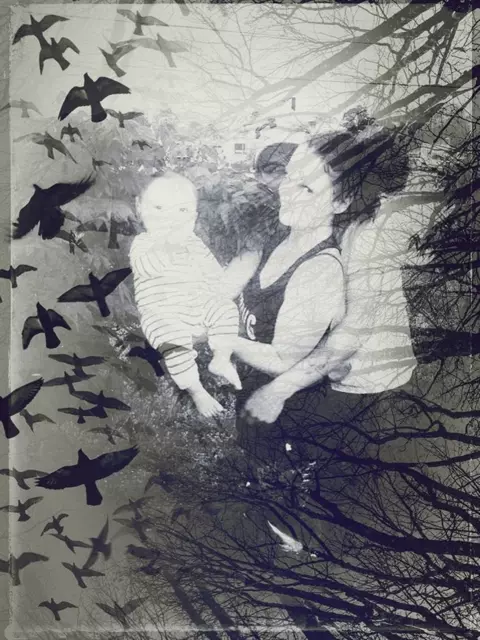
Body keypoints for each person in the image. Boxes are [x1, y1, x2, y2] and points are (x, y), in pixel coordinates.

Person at [229, 121, 416, 454]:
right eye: (289, 176)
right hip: (328, 370)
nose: (286, 190)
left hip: (366, 383)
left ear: (343, 199)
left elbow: (353, 332)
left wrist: (278, 390)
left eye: (306, 187)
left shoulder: (366, 239)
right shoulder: (309, 217)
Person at [129, 170, 242, 419]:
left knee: (225, 309)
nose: (170, 218)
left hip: (197, 305)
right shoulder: (143, 243)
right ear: (139, 208)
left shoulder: (194, 243)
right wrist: (169, 244)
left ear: (194, 216)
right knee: (174, 344)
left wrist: (216, 291)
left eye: (182, 210)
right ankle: (197, 391)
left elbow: (214, 274)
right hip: (162, 314)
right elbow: (147, 267)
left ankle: (221, 358)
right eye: (159, 208)